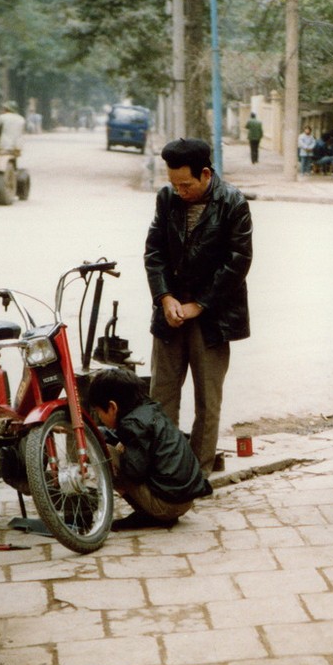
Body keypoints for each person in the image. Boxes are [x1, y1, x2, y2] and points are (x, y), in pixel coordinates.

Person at [144, 138, 254, 478]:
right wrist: (165, 298)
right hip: (171, 313)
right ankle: (165, 468)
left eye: (186, 185)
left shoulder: (232, 202)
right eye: (174, 184)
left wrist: (200, 305)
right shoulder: (167, 198)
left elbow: (237, 263)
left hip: (213, 317)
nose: (179, 191)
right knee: (161, 395)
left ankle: (199, 472)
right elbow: (154, 252)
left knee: (207, 399)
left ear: (206, 174)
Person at [87, 368, 213, 530]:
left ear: (112, 407)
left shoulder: (132, 425)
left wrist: (120, 450)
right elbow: (117, 434)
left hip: (167, 506)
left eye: (98, 412)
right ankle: (150, 512)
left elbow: (134, 472)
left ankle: (149, 514)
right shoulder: (148, 410)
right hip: (183, 500)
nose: (99, 418)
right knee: (117, 445)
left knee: (105, 452)